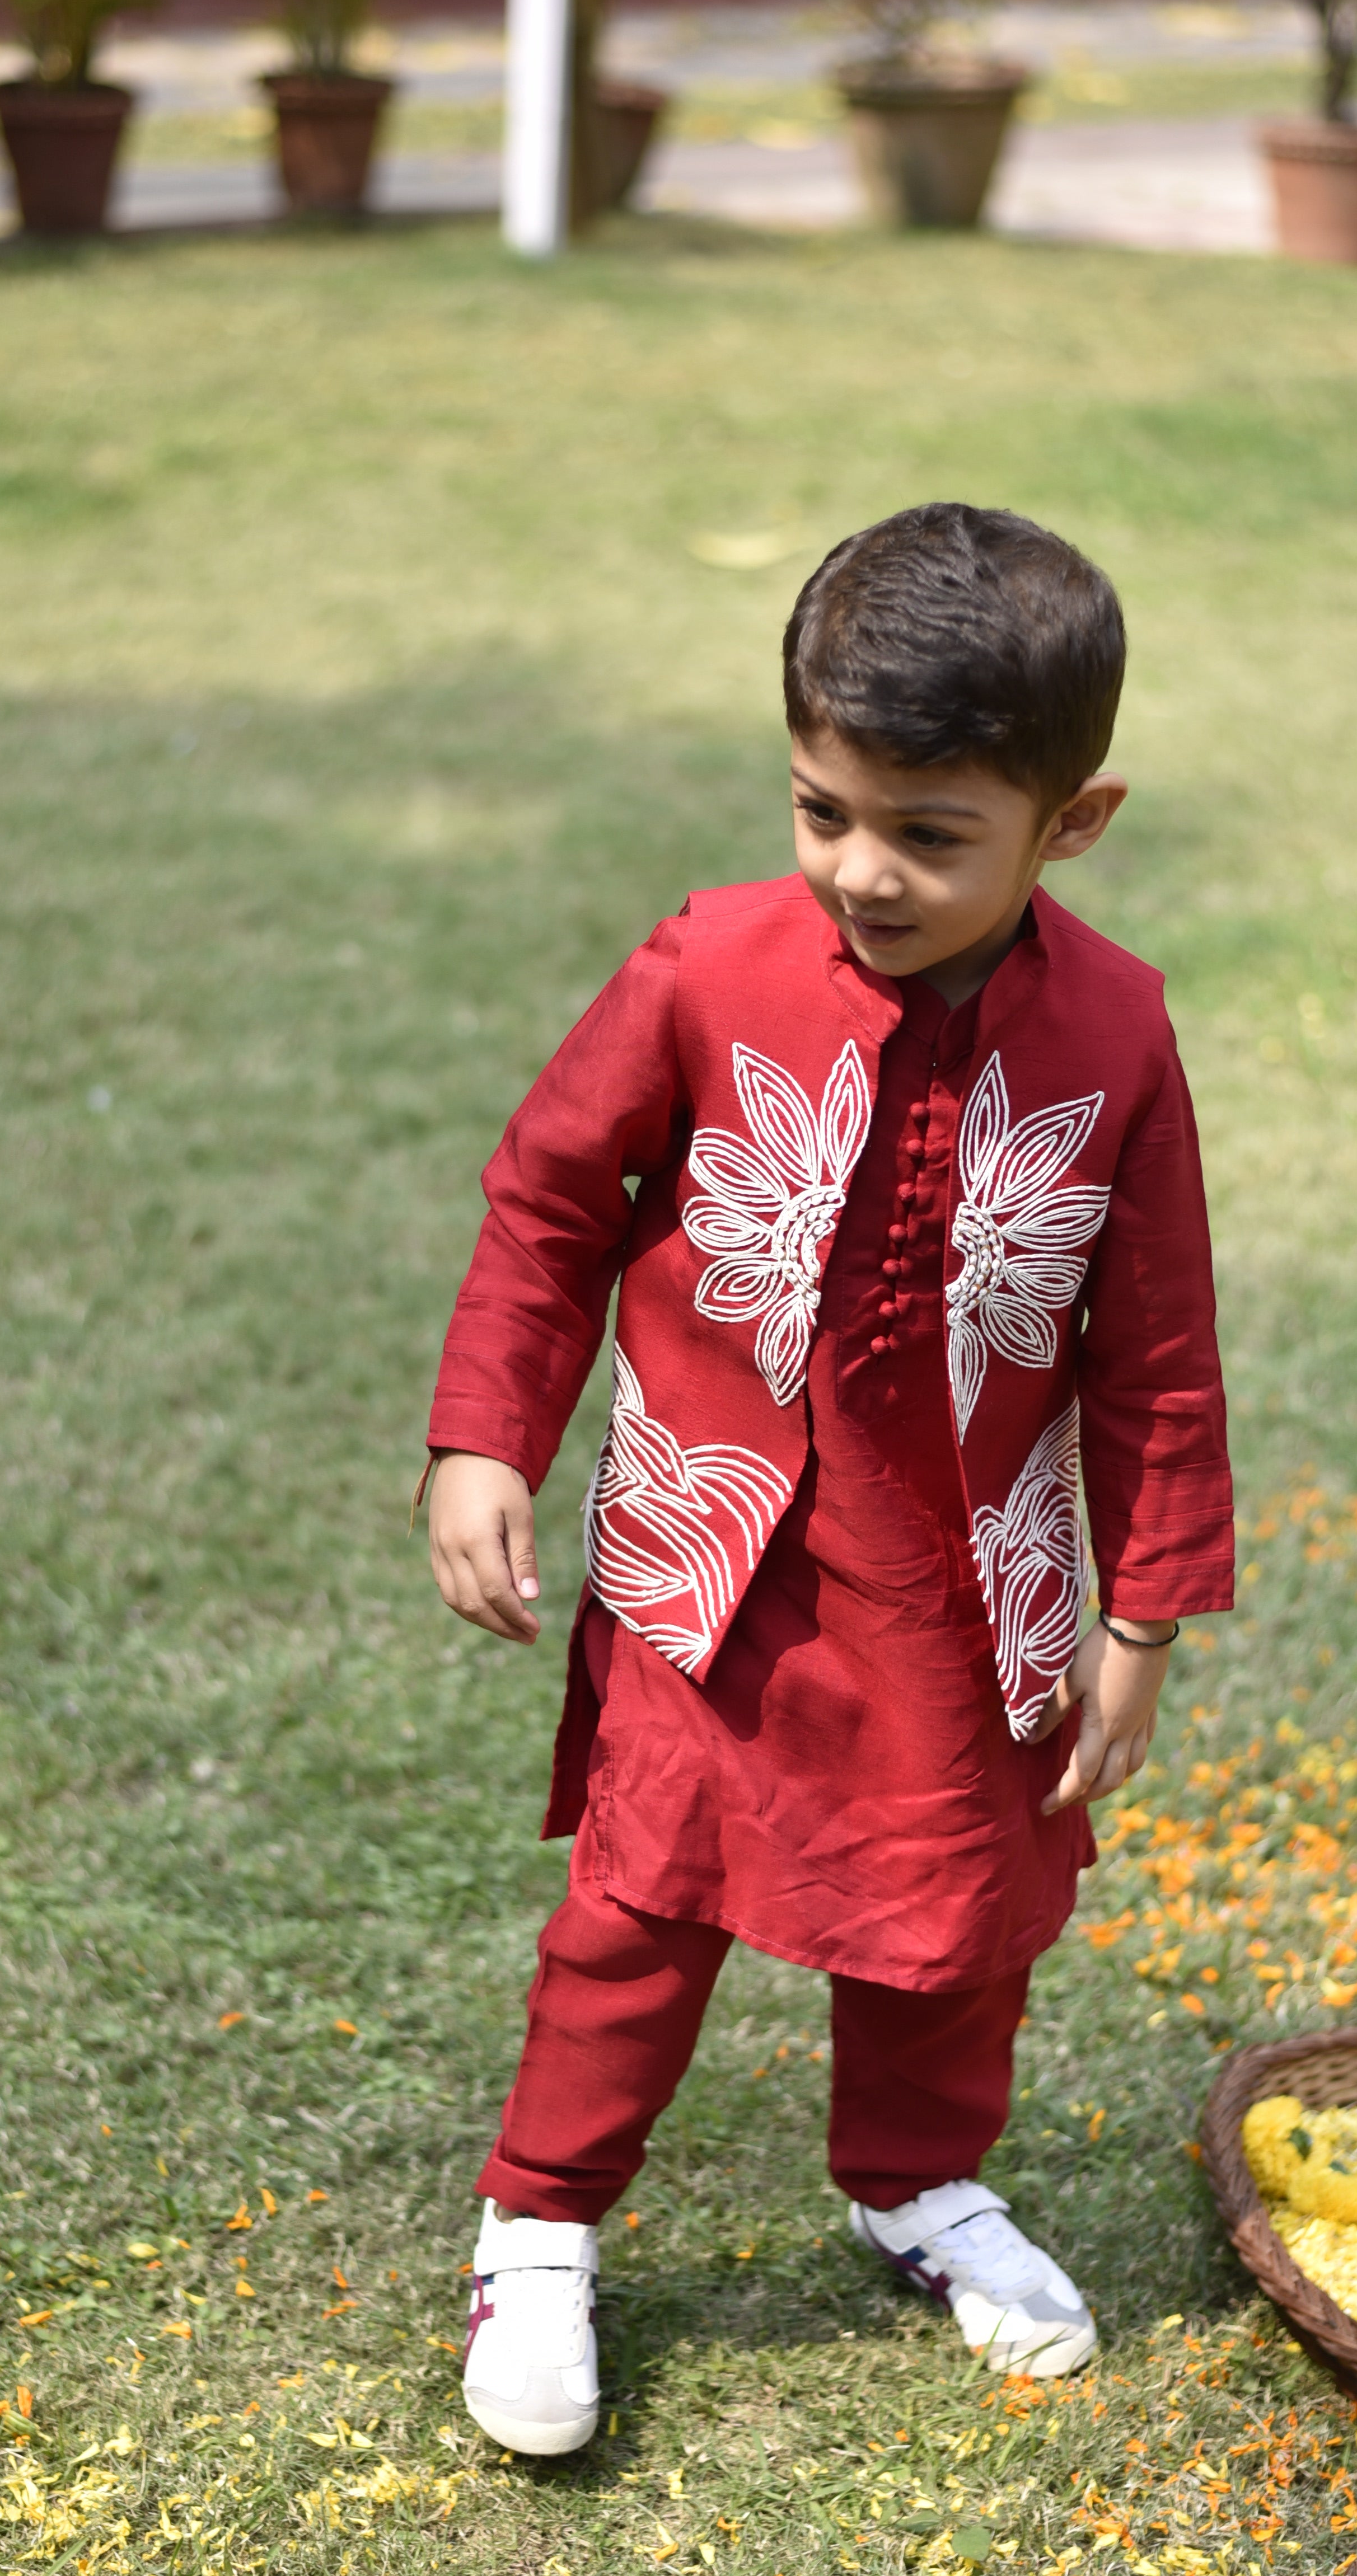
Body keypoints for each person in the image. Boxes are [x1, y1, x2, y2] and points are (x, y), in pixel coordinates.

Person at [424, 503, 1234, 2456]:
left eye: (931, 834)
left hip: (972, 1584)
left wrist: (1143, 1614)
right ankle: (537, 2226)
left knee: (959, 1916)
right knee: (640, 1903)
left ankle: (915, 2185)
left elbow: (1156, 1351)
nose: (863, 872)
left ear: (1075, 821)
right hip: (714, 1556)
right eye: (821, 810)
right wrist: (483, 1435)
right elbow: (551, 1202)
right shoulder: (709, 966)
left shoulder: (1117, 1030)